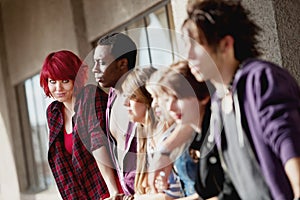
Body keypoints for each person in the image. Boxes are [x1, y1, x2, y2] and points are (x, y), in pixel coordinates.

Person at [183, 0, 300, 199]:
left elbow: (289, 143)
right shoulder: (220, 103)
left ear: (226, 44)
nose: (188, 55)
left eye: (197, 46)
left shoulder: (260, 79)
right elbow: (233, 184)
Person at [40, 50, 111, 199]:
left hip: (107, 189)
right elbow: (61, 163)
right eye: (52, 81)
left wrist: (112, 192)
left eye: (65, 81)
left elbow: (99, 142)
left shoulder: (91, 96)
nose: (58, 88)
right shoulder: (53, 112)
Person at [122, 67, 185, 200]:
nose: (125, 103)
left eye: (131, 97)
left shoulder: (171, 134)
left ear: (147, 98)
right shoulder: (146, 136)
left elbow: (172, 195)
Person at [92, 32, 138, 196]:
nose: (94, 69)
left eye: (102, 63)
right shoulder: (111, 98)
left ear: (122, 63)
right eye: (94, 62)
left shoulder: (144, 97)